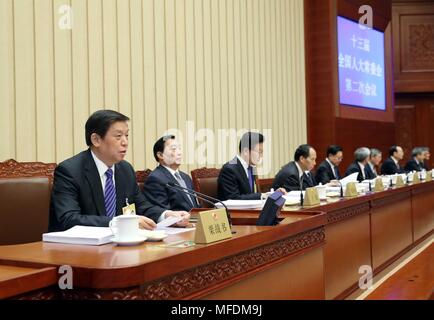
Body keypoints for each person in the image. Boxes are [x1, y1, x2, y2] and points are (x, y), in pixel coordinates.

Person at [49, 110, 161, 232]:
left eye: (127, 136)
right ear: (96, 140)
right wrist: (117, 223)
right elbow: (69, 219)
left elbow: (141, 206)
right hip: (79, 247)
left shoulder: (125, 169)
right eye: (118, 136)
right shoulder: (70, 171)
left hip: (118, 243)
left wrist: (166, 215)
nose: (125, 142)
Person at [142, 135, 196, 226]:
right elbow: (162, 212)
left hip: (193, 225)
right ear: (160, 155)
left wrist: (197, 221)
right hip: (177, 229)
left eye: (179, 149)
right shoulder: (155, 179)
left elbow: (195, 207)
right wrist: (191, 222)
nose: (179, 153)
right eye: (174, 149)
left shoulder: (186, 177)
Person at [218, 132, 284, 200]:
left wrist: (273, 194)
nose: (261, 156)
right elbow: (233, 198)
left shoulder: (251, 168)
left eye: (262, 152)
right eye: (259, 152)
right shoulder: (229, 169)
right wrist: (262, 196)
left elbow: (251, 194)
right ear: (246, 151)